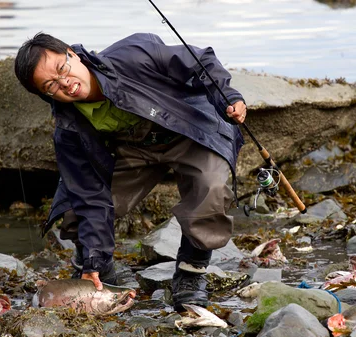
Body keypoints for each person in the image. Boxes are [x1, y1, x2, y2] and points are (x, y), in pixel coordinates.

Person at [14, 32, 246, 312]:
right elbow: (90, 195)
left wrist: (229, 96)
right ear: (44, 95)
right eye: (50, 85)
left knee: (210, 188)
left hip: (190, 128)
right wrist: (93, 261)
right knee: (75, 210)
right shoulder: (68, 130)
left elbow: (201, 60)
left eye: (62, 69)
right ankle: (101, 274)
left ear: (71, 54)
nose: (64, 83)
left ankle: (191, 274)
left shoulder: (134, 55)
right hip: (136, 148)